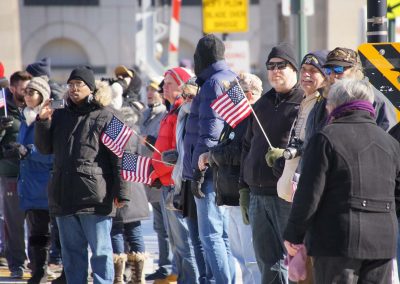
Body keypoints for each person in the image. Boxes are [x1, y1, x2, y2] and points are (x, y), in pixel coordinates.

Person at [284, 79, 400, 283]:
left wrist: (293, 234)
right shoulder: (390, 142)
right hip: (382, 240)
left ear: (334, 105)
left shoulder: (325, 138)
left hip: (336, 240)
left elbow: (309, 194)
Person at [34, 66, 130, 284]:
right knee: (72, 255)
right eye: (71, 84)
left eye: (79, 84)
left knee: (101, 253)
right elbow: (44, 148)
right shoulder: (59, 115)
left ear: (91, 88)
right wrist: (43, 122)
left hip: (95, 197)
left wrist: (122, 193)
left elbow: (121, 157)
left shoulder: (109, 116)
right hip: (64, 196)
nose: (74, 88)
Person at [239, 43, 303, 284]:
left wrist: (285, 155)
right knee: (267, 262)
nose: (275, 71)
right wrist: (243, 188)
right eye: (271, 66)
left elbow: (308, 146)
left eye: (281, 66)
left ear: (294, 69)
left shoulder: (303, 103)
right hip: (257, 194)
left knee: (296, 260)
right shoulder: (262, 104)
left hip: (286, 194)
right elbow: (247, 146)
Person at [188, 33, 236, 284]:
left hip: (209, 170)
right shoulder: (229, 78)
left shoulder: (213, 84)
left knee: (211, 236)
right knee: (222, 235)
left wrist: (198, 172)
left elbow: (209, 131)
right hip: (222, 167)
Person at [208, 73, 263, 284]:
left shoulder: (253, 119)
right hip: (231, 195)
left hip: (245, 196)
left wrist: (213, 155)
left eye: (233, 93)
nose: (227, 98)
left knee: (252, 259)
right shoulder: (235, 121)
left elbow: (241, 152)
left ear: (248, 95)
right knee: (240, 256)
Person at [150, 67, 198, 284]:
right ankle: (181, 278)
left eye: (169, 83)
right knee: (176, 243)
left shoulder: (183, 111)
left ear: (182, 85)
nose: (164, 87)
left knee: (185, 243)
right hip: (166, 182)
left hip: (177, 185)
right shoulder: (171, 110)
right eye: (164, 83)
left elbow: (183, 150)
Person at [5, 77, 53, 283]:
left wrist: (27, 152)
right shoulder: (26, 118)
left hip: (44, 184)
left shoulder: (48, 119)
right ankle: (36, 270)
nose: (27, 96)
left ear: (42, 96)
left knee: (42, 231)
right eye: (26, 92)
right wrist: (13, 150)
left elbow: (52, 154)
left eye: (32, 92)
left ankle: (40, 270)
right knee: (33, 231)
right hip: (28, 182)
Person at [306, 47, 397, 141]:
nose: (333, 75)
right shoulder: (325, 99)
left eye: (338, 69)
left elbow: (388, 142)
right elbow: (312, 136)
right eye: (329, 71)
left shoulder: (376, 100)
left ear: (355, 70)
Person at [109, 82, 150, 284]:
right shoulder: (135, 132)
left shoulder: (113, 131)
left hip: (118, 184)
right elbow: (140, 156)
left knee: (116, 229)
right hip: (135, 184)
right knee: (135, 230)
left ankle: (118, 277)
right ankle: (138, 277)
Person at [170, 77, 209, 283]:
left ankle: (206, 278)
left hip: (201, 180)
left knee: (206, 239)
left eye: (190, 95)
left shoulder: (202, 115)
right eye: (183, 95)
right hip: (185, 180)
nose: (185, 99)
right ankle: (201, 278)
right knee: (193, 239)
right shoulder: (183, 116)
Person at [276, 50, 328, 203]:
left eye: (313, 71)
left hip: (307, 195)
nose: (306, 75)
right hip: (292, 194)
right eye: (303, 70)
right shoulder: (305, 101)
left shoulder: (323, 105)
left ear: (325, 76)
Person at [138, 78, 173, 281]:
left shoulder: (164, 115)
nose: (151, 94)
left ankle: (169, 266)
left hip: (161, 176)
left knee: (168, 227)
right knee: (159, 226)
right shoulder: (145, 114)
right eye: (148, 90)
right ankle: (164, 264)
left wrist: (151, 142)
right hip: (149, 176)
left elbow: (165, 146)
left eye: (154, 90)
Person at [0, 70, 32, 279]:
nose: (28, 93)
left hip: (34, 173)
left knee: (38, 222)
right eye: (23, 89)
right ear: (12, 89)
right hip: (11, 174)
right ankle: (17, 263)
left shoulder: (34, 109)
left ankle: (38, 260)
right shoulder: (4, 111)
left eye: (30, 89)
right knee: (14, 222)